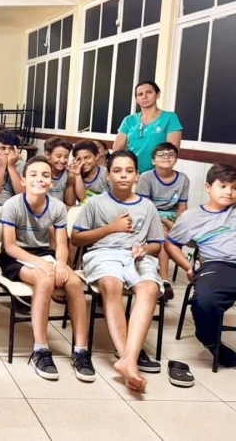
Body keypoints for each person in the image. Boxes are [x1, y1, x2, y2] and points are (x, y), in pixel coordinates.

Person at [71, 150, 164, 392]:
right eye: (117, 171)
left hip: (135, 256)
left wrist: (144, 249)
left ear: (137, 175)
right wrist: (111, 229)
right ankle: (128, 358)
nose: (123, 176)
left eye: (129, 171)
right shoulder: (95, 203)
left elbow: (157, 243)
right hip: (103, 255)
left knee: (149, 288)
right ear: (108, 175)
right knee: (111, 285)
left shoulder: (147, 206)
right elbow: (77, 238)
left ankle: (127, 360)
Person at [0, 156, 95, 382]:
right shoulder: (12, 205)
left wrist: (61, 264)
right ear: (23, 180)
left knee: (74, 282)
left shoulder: (58, 207)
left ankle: (80, 350)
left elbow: (61, 245)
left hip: (45, 255)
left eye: (45, 176)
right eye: (33, 175)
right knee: (45, 282)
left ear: (51, 182)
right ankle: (40, 349)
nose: (39, 179)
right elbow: (10, 246)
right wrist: (43, 265)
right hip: (16, 256)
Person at [165, 163, 236, 368]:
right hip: (217, 265)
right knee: (205, 301)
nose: (229, 192)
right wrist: (187, 267)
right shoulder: (191, 217)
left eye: (234, 188)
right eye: (223, 186)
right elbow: (171, 243)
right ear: (208, 187)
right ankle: (212, 342)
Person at [136, 142, 189, 300]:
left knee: (172, 233)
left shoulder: (183, 179)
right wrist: (167, 223)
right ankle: (164, 280)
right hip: (150, 216)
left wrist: (180, 224)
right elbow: (145, 207)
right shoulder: (146, 178)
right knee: (164, 235)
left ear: (176, 159)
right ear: (153, 160)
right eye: (161, 155)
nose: (166, 157)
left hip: (172, 218)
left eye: (171, 155)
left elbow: (182, 207)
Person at [114, 81, 183, 174]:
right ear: (137, 99)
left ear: (157, 95)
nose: (144, 96)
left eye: (149, 92)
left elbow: (172, 150)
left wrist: (157, 174)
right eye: (140, 94)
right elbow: (118, 147)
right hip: (131, 173)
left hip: (157, 174)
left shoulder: (170, 118)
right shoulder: (128, 120)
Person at [44, 136, 74, 206]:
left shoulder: (67, 174)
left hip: (59, 211)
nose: (63, 161)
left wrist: (70, 180)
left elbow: (70, 203)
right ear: (47, 155)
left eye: (66, 157)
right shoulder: (39, 173)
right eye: (58, 156)